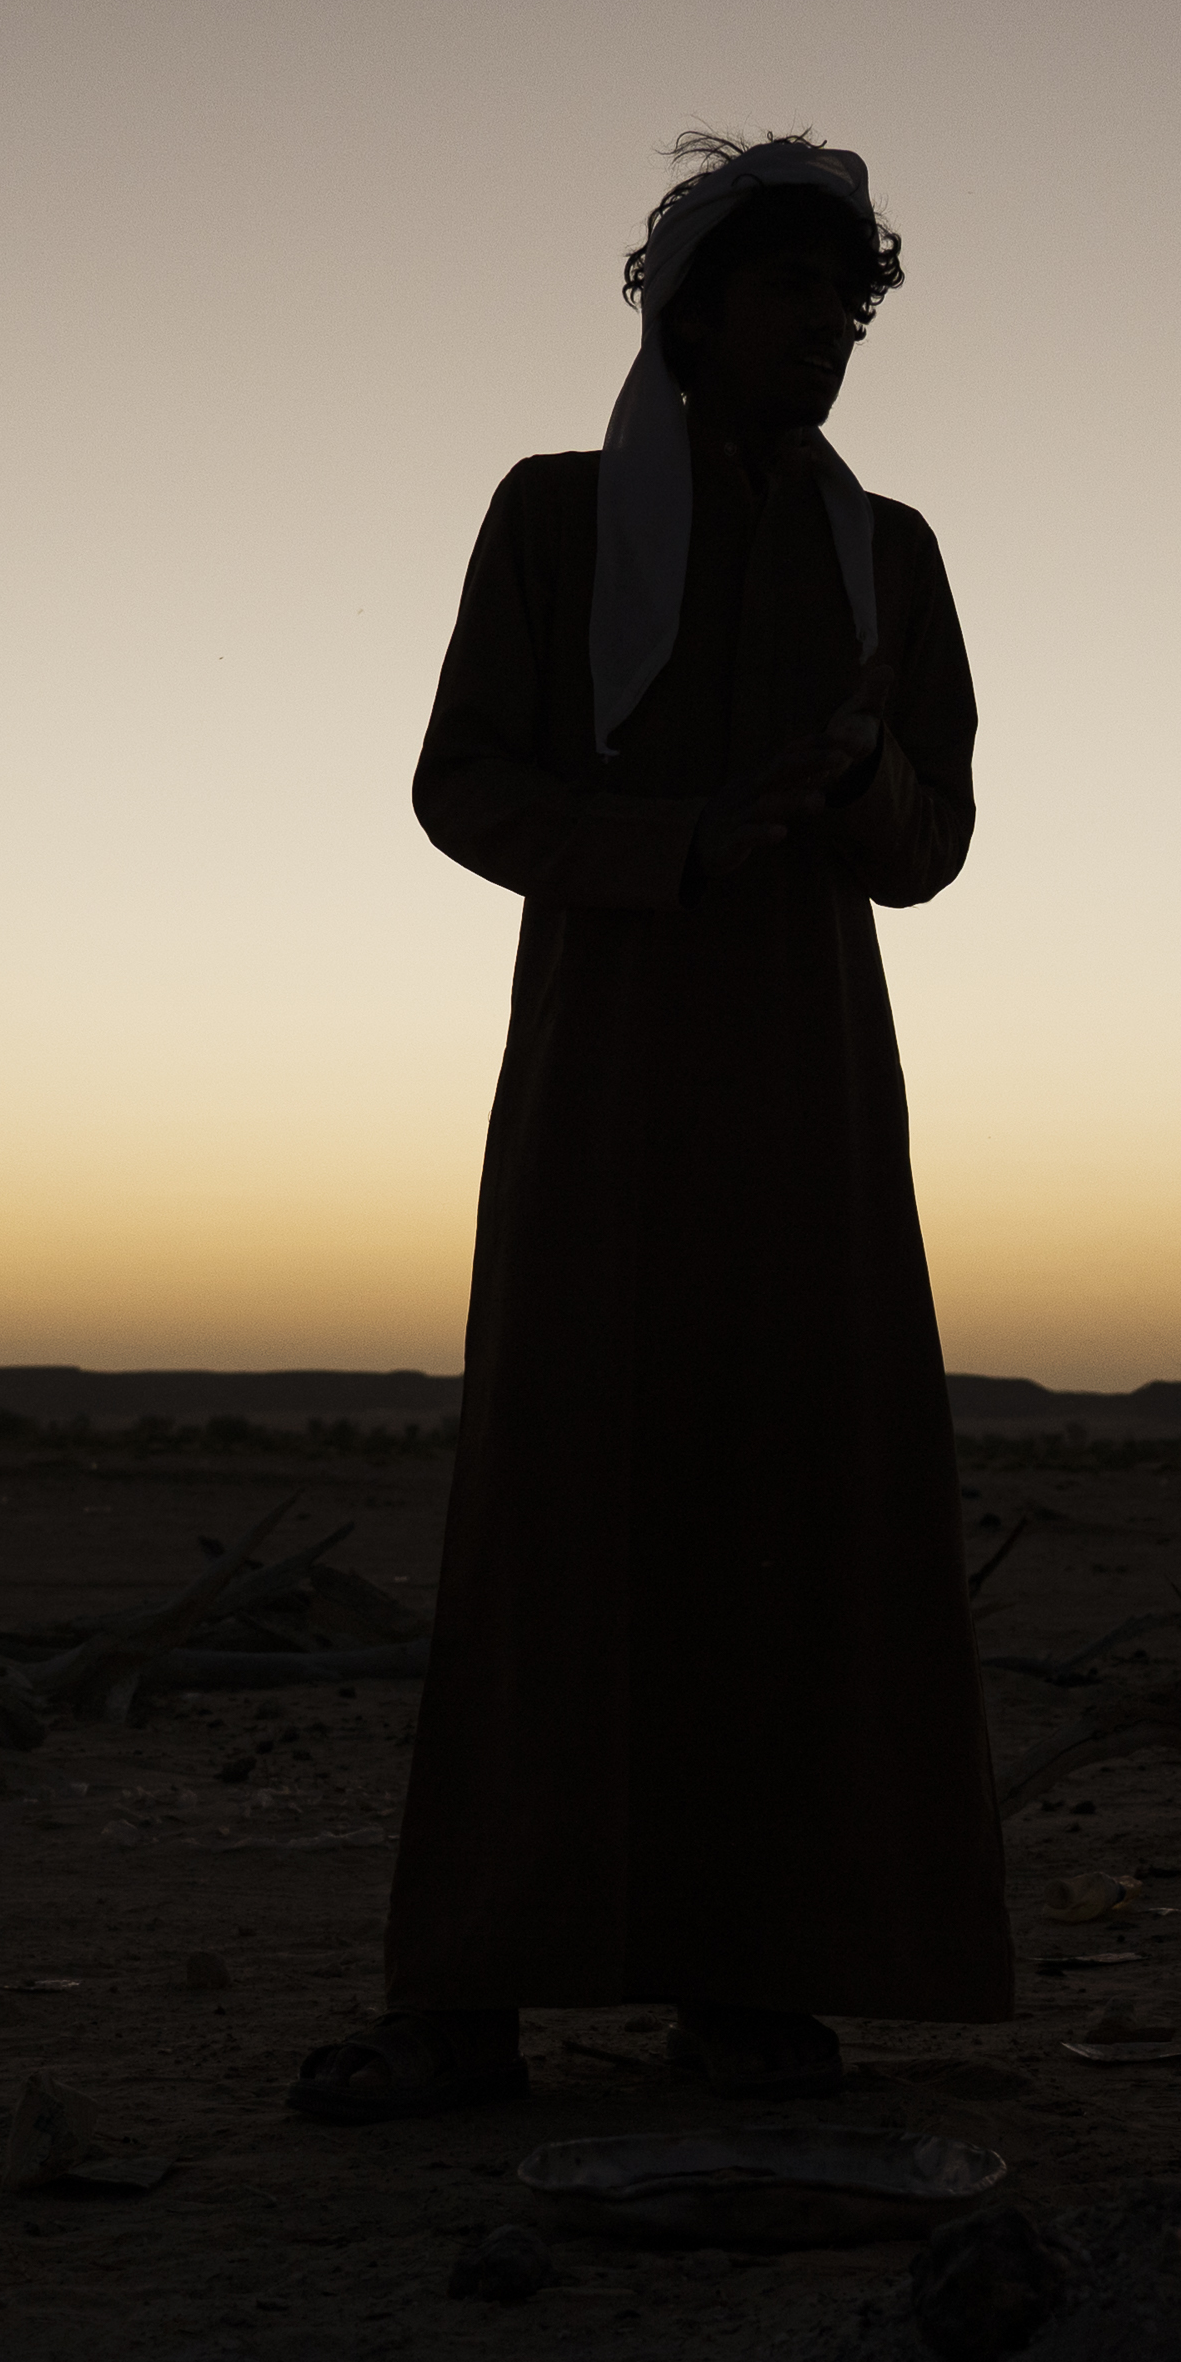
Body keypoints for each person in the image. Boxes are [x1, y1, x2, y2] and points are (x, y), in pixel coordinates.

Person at [292, 135, 1012, 2123]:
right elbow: (461, 784)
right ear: (691, 309)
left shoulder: (897, 556)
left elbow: (935, 842)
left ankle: (751, 1980)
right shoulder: (552, 519)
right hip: (607, 1087)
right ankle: (469, 1994)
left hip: (806, 1099)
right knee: (559, 1504)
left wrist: (854, 790)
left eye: (850, 305)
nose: (829, 334)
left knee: (792, 1504)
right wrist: (671, 842)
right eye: (795, 297)